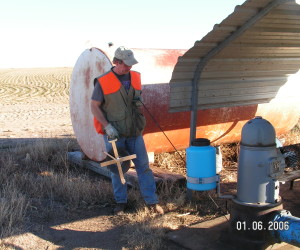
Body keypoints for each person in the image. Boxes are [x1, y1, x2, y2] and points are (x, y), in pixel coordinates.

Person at [91, 46, 164, 215]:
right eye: (126, 64)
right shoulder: (103, 81)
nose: (129, 67)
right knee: (118, 169)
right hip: (114, 134)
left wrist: (138, 101)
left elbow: (135, 97)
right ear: (116, 62)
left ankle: (152, 202)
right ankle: (121, 203)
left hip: (134, 131)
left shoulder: (136, 77)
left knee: (144, 167)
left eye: (131, 64)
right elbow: (94, 106)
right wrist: (107, 126)